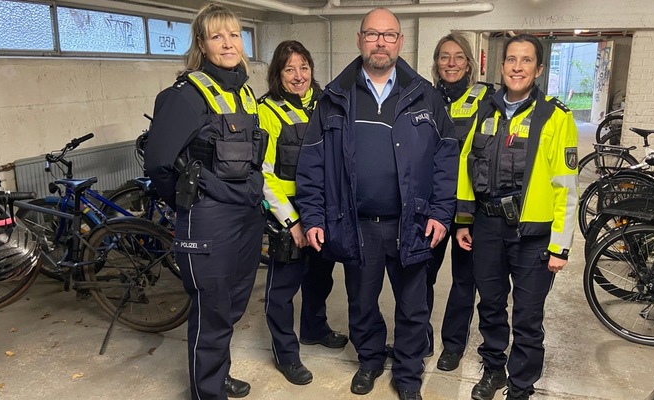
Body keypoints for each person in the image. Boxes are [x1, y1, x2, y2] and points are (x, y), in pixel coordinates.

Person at [295, 7, 459, 400]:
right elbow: (313, 161)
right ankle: (369, 361)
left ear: (400, 42)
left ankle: (407, 374)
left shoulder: (426, 95)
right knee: (362, 302)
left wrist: (440, 212)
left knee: (413, 306)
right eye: (372, 34)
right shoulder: (334, 97)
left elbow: (446, 159)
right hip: (356, 222)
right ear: (359, 39)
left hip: (412, 222)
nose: (380, 42)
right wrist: (313, 215)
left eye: (388, 35)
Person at [143, 4, 266, 399]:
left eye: (234, 34)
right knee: (212, 308)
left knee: (231, 305)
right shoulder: (184, 95)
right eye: (217, 36)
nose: (228, 43)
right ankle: (206, 391)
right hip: (208, 217)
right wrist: (191, 203)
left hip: (246, 214)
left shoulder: (244, 91)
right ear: (201, 43)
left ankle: (216, 373)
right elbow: (160, 164)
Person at [454, 34, 578, 400]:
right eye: (511, 60)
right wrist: (464, 218)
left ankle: (521, 387)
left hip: (533, 237)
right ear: (502, 66)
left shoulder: (555, 117)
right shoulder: (485, 110)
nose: (517, 67)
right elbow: (466, 164)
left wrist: (561, 246)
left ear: (538, 69)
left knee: (527, 317)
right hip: (488, 227)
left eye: (526, 61)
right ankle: (494, 370)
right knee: (490, 306)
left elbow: (566, 189)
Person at [258, 40, 348, 386]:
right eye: (289, 69)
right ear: (278, 75)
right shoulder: (268, 110)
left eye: (304, 67)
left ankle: (314, 328)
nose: (298, 76)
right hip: (289, 211)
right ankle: (286, 354)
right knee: (282, 288)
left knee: (320, 277)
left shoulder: (325, 103)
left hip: (324, 208)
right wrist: (290, 219)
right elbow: (264, 172)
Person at [425, 33, 494, 372]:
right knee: (420, 275)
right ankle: (418, 338)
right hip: (431, 204)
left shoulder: (487, 99)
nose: (451, 64)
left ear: (469, 62)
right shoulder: (423, 97)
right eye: (444, 57)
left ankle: (452, 346)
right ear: (436, 63)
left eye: (458, 57)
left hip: (471, 206)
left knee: (464, 280)